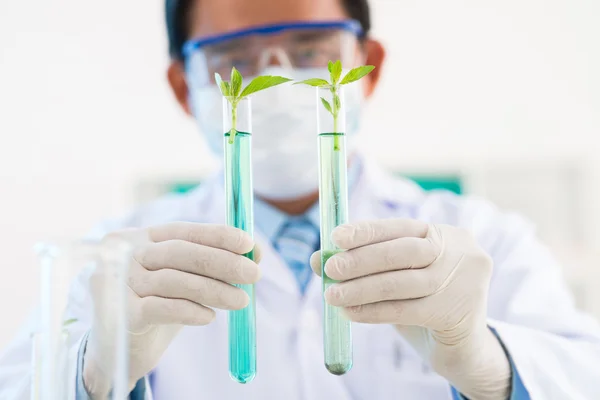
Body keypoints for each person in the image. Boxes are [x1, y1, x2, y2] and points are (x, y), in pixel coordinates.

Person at [1, 0, 600, 398]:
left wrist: (490, 363)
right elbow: (23, 379)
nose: (279, 81)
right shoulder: (117, 260)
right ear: (186, 88)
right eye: (235, 59)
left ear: (367, 65)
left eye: (311, 50)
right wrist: (94, 371)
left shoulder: (486, 236)